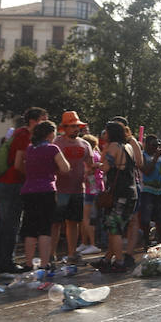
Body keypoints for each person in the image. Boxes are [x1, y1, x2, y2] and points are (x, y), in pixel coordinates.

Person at [0, 108, 46, 274]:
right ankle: (6, 263)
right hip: (13, 183)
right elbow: (18, 163)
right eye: (43, 119)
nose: (45, 122)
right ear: (34, 121)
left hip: (5, 182)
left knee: (5, 224)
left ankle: (0, 261)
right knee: (11, 225)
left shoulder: (18, 133)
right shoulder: (25, 137)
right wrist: (32, 176)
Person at [17, 120, 70, 270]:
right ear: (50, 134)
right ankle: (44, 263)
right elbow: (65, 168)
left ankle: (28, 263)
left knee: (30, 228)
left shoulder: (30, 149)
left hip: (28, 190)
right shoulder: (52, 149)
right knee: (45, 228)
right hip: (46, 190)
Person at [97, 121, 143, 272]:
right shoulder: (128, 146)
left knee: (114, 229)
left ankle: (120, 262)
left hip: (120, 194)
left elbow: (104, 167)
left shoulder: (113, 146)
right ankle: (107, 259)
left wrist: (100, 158)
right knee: (114, 228)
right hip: (131, 192)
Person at [54, 112, 93, 264]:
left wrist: (94, 169)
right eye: (72, 126)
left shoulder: (85, 144)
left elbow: (90, 165)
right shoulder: (57, 142)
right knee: (56, 223)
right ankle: (51, 255)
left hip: (78, 189)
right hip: (59, 189)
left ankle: (71, 254)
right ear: (65, 128)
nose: (76, 129)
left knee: (73, 222)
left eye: (77, 126)